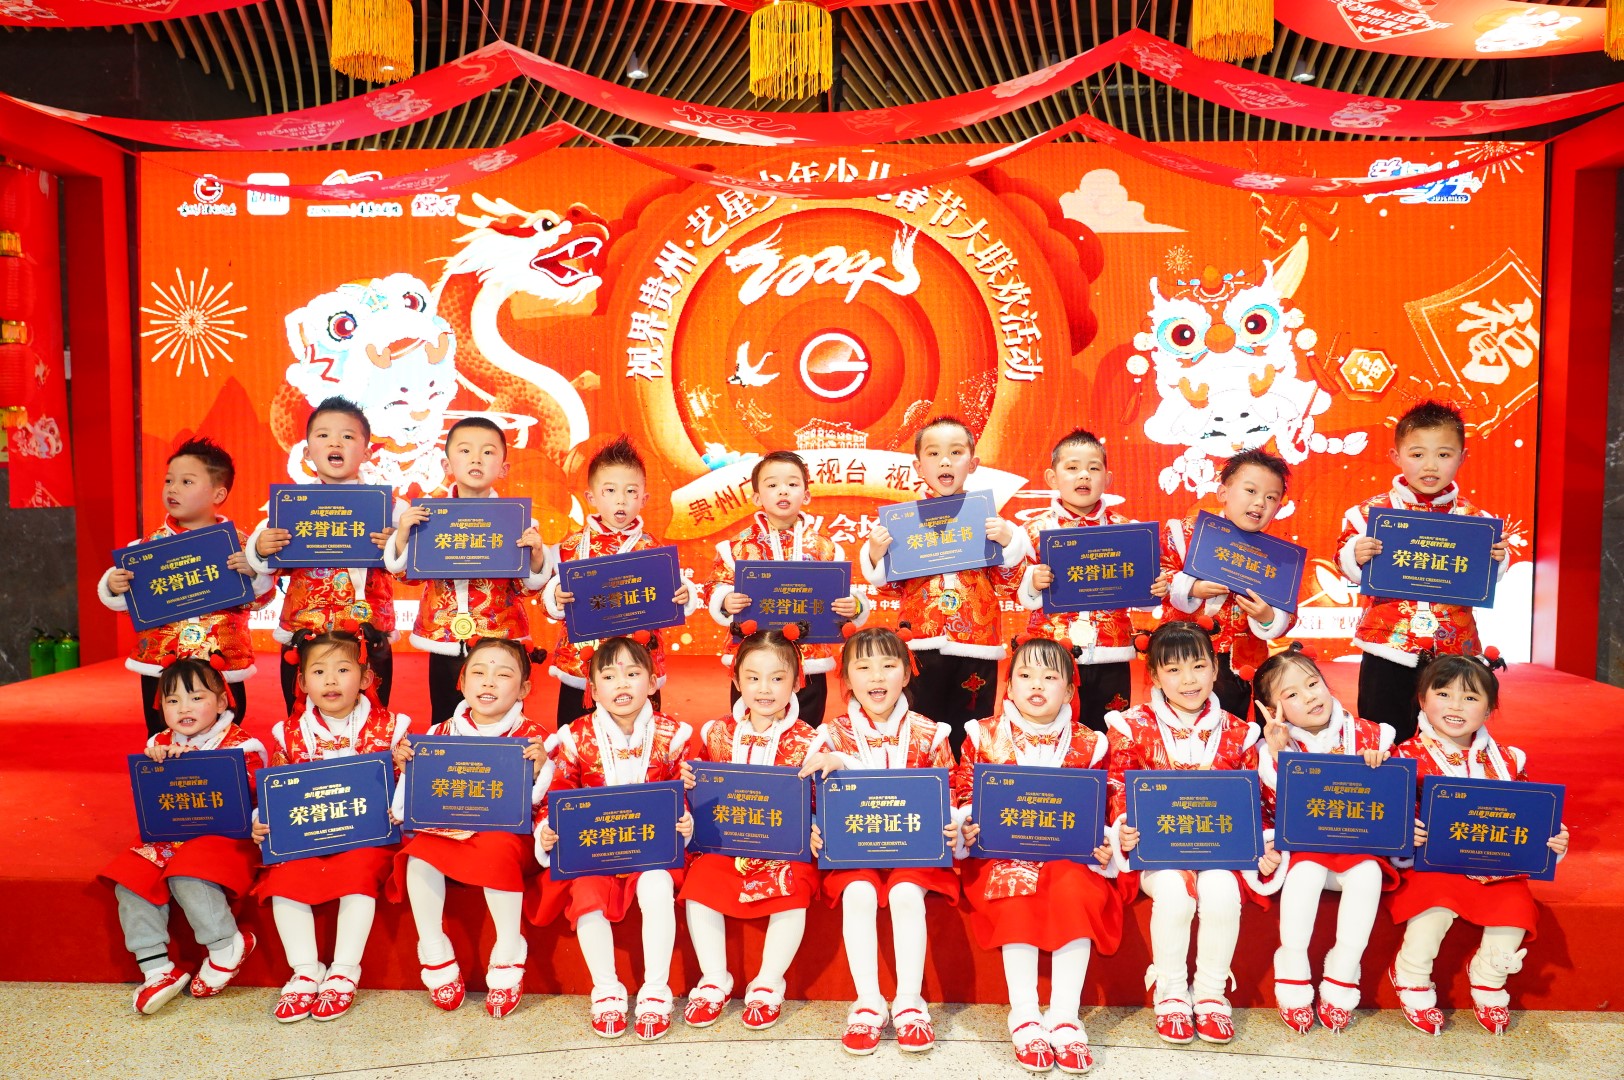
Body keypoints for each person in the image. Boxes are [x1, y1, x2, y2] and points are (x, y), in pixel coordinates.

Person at [1105, 621, 1284, 1046]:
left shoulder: (1241, 733)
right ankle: (1170, 992)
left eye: (1199, 666)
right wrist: (1124, 825)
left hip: (1219, 852)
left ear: (1216, 668)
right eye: (1173, 670)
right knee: (1174, 892)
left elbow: (1256, 803)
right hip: (1156, 852)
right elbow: (1116, 786)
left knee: (1221, 892)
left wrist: (1263, 841)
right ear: (1154, 676)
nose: (1188, 680)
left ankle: (1210, 993)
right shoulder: (1130, 725)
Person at [953, 635, 1123, 1074]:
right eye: (1025, 675)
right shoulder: (982, 735)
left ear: (1069, 690)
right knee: (1015, 894)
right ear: (1008, 686)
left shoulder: (1091, 743)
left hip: (1071, 856)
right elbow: (963, 790)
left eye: (1050, 677)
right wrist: (967, 822)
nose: (1036, 685)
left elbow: (1107, 803)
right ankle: (1025, 1014)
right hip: (1001, 855)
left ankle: (1065, 1016)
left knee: (1077, 893)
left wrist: (1106, 839)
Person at [800, 627, 961, 1056]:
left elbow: (951, 793)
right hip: (853, 852)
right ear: (845, 678)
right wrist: (812, 826)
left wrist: (951, 823)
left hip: (916, 854)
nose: (876, 676)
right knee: (858, 892)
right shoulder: (830, 736)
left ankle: (909, 1001)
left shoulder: (931, 733)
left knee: (906, 893)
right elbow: (812, 800)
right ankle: (868, 1001)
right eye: (863, 667)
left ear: (906, 674)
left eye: (889, 666)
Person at [1388, 654, 1569, 1036]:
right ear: (1422, 699)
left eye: (1470, 698)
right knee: (1433, 910)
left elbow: (1529, 815)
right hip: (1432, 867)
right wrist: (1405, 834)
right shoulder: (1405, 758)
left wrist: (1551, 839)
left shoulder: (1508, 760)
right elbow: (1391, 816)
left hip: (1496, 868)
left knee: (1515, 911)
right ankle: (1411, 972)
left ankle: (1488, 977)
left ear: (1488, 710)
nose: (1455, 706)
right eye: (1443, 694)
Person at [534, 635, 696, 1041]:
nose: (621, 684)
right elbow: (556, 794)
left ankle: (656, 989)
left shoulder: (673, 735)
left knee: (657, 884)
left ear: (653, 682)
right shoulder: (575, 737)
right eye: (608, 677)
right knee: (586, 893)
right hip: (595, 853)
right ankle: (606, 988)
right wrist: (547, 831)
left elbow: (686, 792)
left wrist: (685, 821)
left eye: (633, 674)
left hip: (653, 851)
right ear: (592, 690)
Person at [251, 625, 410, 1023]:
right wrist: (261, 821)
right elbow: (274, 791)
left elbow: (411, 785)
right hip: (308, 835)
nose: (331, 681)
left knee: (358, 875)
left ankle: (344, 970)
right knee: (284, 876)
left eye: (343, 670)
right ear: (303, 682)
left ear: (366, 678)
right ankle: (305, 970)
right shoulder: (289, 733)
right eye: (319, 672)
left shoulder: (392, 727)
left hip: (368, 839)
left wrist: (405, 781)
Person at [387, 638, 554, 1018]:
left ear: (524, 688)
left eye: (503, 675)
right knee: (419, 858)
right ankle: (435, 949)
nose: (489, 682)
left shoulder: (536, 738)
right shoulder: (440, 733)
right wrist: (408, 768)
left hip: (509, 839)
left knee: (496, 850)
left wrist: (541, 770)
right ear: (462, 682)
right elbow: (416, 801)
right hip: (450, 833)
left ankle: (509, 948)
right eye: (478, 673)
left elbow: (549, 802)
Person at [1338, 402, 1512, 743]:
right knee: (1383, 734)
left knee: (1450, 734)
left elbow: (1484, 578)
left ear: (1462, 458)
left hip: (1454, 648)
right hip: (1388, 645)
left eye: (1444, 455)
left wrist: (1496, 560)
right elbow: (1343, 559)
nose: (1430, 465)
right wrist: (1355, 555)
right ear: (1396, 456)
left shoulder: (1477, 522)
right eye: (1417, 454)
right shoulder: (1369, 514)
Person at [99, 657, 264, 1013]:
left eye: (196, 698)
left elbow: (253, 796)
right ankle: (156, 968)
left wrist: (191, 762)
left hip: (225, 840)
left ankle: (225, 944)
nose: (184, 708)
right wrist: (157, 763)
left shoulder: (243, 745)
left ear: (221, 702)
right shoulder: (160, 742)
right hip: (170, 838)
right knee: (132, 878)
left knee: (188, 872)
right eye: (172, 700)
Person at [1253, 643, 1400, 1033]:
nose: (1309, 697)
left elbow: (1397, 799)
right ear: (1272, 708)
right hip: (1305, 852)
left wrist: (1381, 766)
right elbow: (1269, 810)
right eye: (1291, 695)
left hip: (1357, 849)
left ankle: (1343, 971)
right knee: (1305, 875)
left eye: (1312, 684)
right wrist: (1277, 754)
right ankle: (1292, 967)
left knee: (1368, 874)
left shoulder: (1371, 735)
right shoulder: (1273, 747)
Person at [678, 628, 821, 1031]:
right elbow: (703, 791)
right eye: (753, 678)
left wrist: (813, 827)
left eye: (777, 678)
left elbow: (816, 802)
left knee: (794, 888)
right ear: (737, 680)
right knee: (700, 883)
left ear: (797, 682)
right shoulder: (716, 733)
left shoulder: (810, 741)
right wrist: (690, 785)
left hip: (783, 851)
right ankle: (714, 979)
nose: (764, 688)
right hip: (726, 846)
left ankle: (768, 982)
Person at [860, 416, 1026, 753]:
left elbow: (1008, 584)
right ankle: (925, 782)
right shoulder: (902, 522)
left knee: (972, 726)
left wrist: (1009, 544)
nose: (945, 461)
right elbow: (891, 588)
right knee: (922, 726)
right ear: (918, 466)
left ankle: (967, 782)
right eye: (934, 454)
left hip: (976, 644)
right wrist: (877, 555)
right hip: (920, 643)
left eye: (956, 452)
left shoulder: (989, 520)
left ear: (973, 464)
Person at [384, 415, 556, 725]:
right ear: (447, 464)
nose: (476, 458)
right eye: (465, 450)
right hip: (443, 636)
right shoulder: (426, 516)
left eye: (488, 452)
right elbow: (406, 576)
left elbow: (525, 587)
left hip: (500, 634)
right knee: (446, 716)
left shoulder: (518, 521)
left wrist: (536, 557)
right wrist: (403, 536)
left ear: (503, 468)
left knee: (503, 718)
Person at [98, 438, 273, 734]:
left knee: (226, 731)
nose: (173, 489)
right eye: (169, 481)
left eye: (186, 481)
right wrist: (115, 588)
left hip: (221, 658)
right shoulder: (145, 549)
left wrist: (255, 576)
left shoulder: (241, 546)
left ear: (218, 493)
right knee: (161, 733)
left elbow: (261, 599)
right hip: (161, 662)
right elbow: (134, 608)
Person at [246, 398, 401, 712]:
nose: (335, 442)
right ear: (307, 452)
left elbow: (409, 571)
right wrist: (260, 550)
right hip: (305, 635)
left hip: (367, 634)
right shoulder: (289, 507)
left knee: (372, 718)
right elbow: (267, 569)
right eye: (323, 435)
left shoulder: (391, 509)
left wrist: (398, 546)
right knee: (302, 717)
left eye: (347, 436)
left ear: (367, 452)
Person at [1017, 427, 1170, 731]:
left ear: (1108, 479)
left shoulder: (1129, 531)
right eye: (1072, 468)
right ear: (1052, 477)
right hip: (1051, 656)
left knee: (1108, 733)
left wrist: (1156, 588)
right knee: (1050, 732)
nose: (1083, 476)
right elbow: (1016, 590)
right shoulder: (1032, 531)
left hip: (1111, 653)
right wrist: (1032, 582)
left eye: (1093, 469)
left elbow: (1143, 598)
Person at [704, 450, 870, 725]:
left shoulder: (825, 548)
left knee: (807, 728)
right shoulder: (736, 547)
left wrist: (854, 605)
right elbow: (715, 584)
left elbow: (843, 592)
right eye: (772, 484)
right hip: (754, 660)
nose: (783, 491)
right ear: (757, 497)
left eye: (792, 484)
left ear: (806, 495)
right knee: (751, 729)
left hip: (809, 661)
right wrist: (724, 600)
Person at [543, 436, 700, 726]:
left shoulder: (653, 549)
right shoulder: (570, 547)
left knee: (640, 735)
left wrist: (683, 595)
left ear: (644, 499)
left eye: (631, 491)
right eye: (610, 490)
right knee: (577, 735)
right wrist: (555, 596)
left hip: (638, 662)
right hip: (582, 664)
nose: (621, 500)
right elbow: (546, 600)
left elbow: (674, 593)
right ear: (591, 497)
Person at [1161, 449, 1296, 722]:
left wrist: (1268, 617)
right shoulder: (1184, 532)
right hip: (1184, 652)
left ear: (1279, 508)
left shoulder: (1277, 557)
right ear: (1223, 493)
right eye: (1251, 491)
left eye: (1271, 497)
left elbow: (1289, 613)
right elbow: (1158, 575)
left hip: (1238, 663)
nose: (1260, 503)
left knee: (1231, 725)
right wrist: (1190, 588)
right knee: (1178, 722)